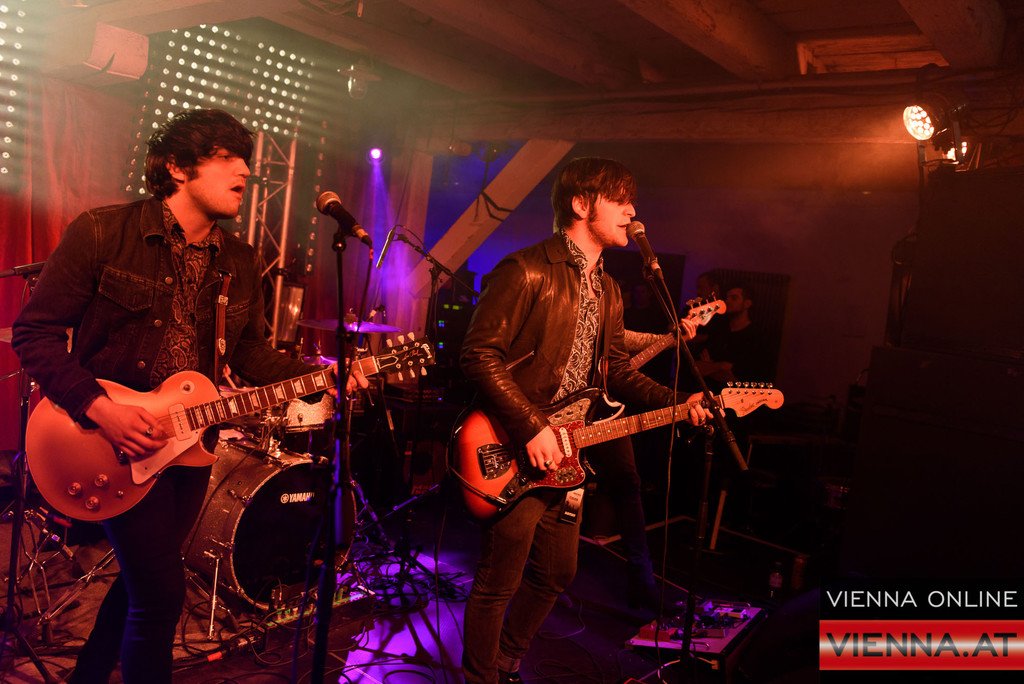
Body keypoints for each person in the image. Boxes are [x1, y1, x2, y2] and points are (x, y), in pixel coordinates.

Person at [11, 108, 364, 683]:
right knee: (161, 596)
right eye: (227, 158)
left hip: (191, 445)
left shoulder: (240, 260)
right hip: (108, 439)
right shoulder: (104, 232)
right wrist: (102, 410)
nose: (245, 171)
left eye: (245, 159)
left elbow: (249, 355)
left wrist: (325, 373)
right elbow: (34, 333)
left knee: (142, 585)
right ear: (177, 167)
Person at [459, 157, 710, 684]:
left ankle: (506, 661)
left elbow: (618, 371)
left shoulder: (608, 289)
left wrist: (681, 401)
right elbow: (479, 355)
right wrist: (531, 426)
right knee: (499, 582)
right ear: (581, 204)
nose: (632, 211)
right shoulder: (526, 269)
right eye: (620, 200)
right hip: (519, 445)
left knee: (557, 573)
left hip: (572, 452)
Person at [695, 282, 774, 390]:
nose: (727, 301)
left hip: (736, 396)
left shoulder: (755, 337)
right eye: (727, 297)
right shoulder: (718, 330)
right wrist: (721, 366)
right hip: (708, 391)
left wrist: (711, 366)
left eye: (734, 298)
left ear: (747, 304)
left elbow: (735, 379)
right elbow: (698, 367)